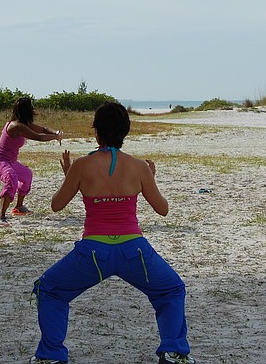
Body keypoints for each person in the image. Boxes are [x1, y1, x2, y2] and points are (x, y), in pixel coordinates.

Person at [30, 102, 196, 364]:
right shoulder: (139, 166)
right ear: (125, 132)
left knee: (49, 289)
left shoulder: (82, 166)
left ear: (96, 131)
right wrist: (149, 178)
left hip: (92, 253)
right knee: (171, 290)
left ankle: (50, 356)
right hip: (134, 251)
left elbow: (56, 205)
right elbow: (162, 209)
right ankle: (174, 352)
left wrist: (70, 176)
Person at [0, 97, 63, 228]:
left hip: (11, 161)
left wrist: (56, 132)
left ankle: (19, 207)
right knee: (11, 178)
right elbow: (39, 137)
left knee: (27, 175)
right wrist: (56, 137)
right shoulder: (16, 126)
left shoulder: (23, 124)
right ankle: (2, 217)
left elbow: (43, 129)